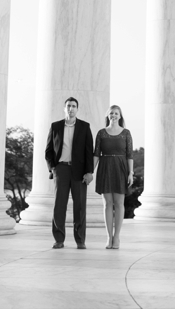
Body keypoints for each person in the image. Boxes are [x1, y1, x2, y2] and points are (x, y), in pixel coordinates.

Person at [44, 96, 94, 249]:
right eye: (68, 106)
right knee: (59, 205)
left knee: (79, 206)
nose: (71, 109)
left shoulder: (85, 127)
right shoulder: (56, 126)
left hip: (79, 172)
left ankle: (80, 240)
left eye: (73, 106)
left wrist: (89, 172)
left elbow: (88, 152)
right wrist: (53, 168)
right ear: (64, 108)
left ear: (77, 109)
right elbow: (48, 151)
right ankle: (59, 239)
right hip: (61, 170)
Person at [93, 104, 134, 249]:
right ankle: (108, 237)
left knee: (119, 203)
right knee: (107, 204)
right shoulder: (101, 133)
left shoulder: (126, 133)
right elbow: (96, 154)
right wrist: (90, 171)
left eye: (116, 113)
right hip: (105, 167)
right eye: (111, 113)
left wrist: (130, 173)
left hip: (121, 168)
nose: (114, 115)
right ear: (108, 115)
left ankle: (117, 238)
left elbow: (129, 155)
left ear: (120, 116)